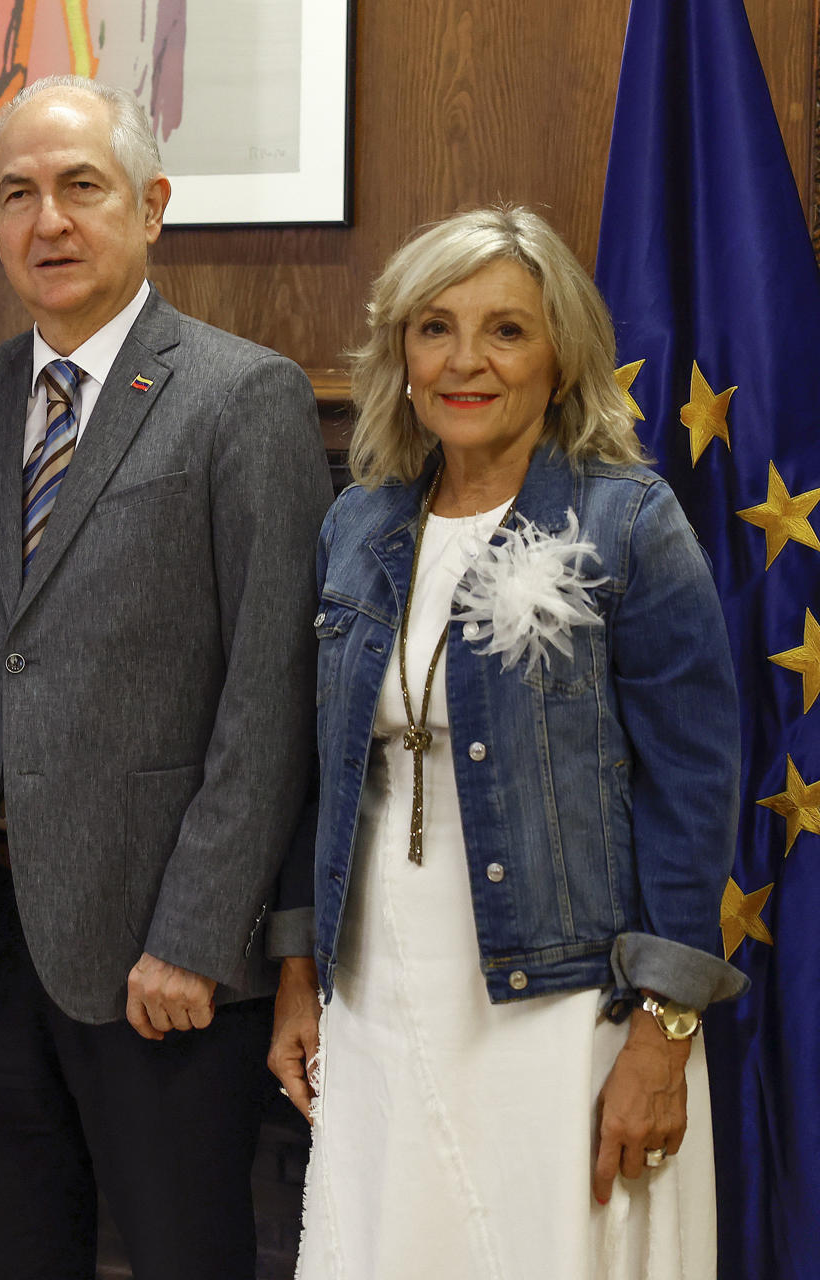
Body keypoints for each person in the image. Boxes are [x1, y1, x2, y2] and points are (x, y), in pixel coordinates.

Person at [0, 75, 331, 1279]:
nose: (47, 221)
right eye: (17, 194)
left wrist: (201, 935)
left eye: (80, 187)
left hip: (158, 951)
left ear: (152, 205)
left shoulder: (243, 396)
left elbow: (271, 694)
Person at [266, 205, 748, 1279]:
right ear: (401, 351)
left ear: (561, 351)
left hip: (568, 1002)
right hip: (378, 982)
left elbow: (695, 786)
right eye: (435, 327)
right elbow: (314, 768)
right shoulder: (359, 522)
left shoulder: (629, 520)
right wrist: (299, 972)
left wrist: (664, 1036)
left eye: (506, 330)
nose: (466, 360)